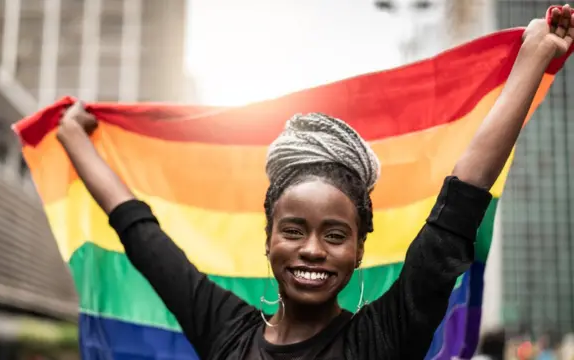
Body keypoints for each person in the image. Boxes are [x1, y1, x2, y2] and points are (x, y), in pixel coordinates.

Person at [56, 6, 574, 360]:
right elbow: (141, 234)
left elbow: (461, 201)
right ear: (268, 239)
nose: (312, 250)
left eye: (334, 234)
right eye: (294, 230)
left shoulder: (381, 340)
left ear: (358, 249)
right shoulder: (225, 331)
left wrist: (532, 59)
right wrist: (74, 138)